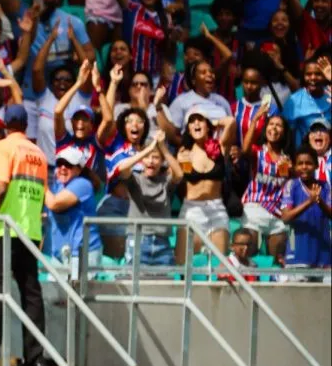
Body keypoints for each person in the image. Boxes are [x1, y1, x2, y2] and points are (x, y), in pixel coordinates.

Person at [0, 104, 49, 366]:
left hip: (2, 229)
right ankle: (36, 358)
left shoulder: (3, 147)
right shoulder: (38, 153)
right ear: (26, 125)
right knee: (31, 295)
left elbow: (2, 185)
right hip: (29, 231)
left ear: (6, 124)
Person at [174, 111, 237, 260]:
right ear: (188, 129)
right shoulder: (184, 153)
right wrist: (179, 162)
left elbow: (231, 122)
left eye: (200, 120)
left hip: (216, 210)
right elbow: (176, 178)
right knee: (182, 263)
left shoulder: (220, 147)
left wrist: (213, 122)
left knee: (219, 265)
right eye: (192, 121)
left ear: (207, 126)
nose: (196, 123)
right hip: (191, 210)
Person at [117, 130, 183, 266]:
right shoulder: (135, 179)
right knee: (135, 285)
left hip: (163, 243)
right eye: (147, 157)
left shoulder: (165, 181)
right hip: (138, 240)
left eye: (156, 157)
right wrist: (148, 149)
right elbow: (122, 169)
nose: (151, 161)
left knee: (165, 286)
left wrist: (162, 147)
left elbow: (179, 174)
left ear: (162, 161)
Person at [241, 107, 292, 261]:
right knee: (247, 257)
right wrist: (255, 120)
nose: (274, 128)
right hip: (254, 209)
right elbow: (244, 150)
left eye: (278, 125)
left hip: (277, 213)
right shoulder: (258, 153)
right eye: (271, 124)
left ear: (284, 132)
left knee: (278, 260)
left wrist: (292, 169)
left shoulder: (287, 159)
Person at [44, 145, 103, 278]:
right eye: (59, 164)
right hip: (60, 256)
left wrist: (42, 184)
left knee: (79, 298)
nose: (63, 168)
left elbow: (54, 204)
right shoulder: (57, 186)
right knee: (54, 297)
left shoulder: (83, 184)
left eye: (69, 165)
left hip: (83, 256)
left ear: (79, 169)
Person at [279, 146, 332, 273]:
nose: (304, 167)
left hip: (323, 256)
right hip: (297, 256)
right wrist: (310, 201)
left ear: (316, 165)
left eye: (308, 163)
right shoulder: (291, 185)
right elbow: (285, 217)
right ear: (295, 166)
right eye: (300, 164)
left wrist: (319, 201)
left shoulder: (325, 186)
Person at [280, 58, 331, 148]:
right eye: (308, 74)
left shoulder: (330, 93)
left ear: (324, 76)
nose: (313, 77)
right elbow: (286, 133)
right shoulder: (294, 101)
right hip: (305, 156)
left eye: (318, 74)